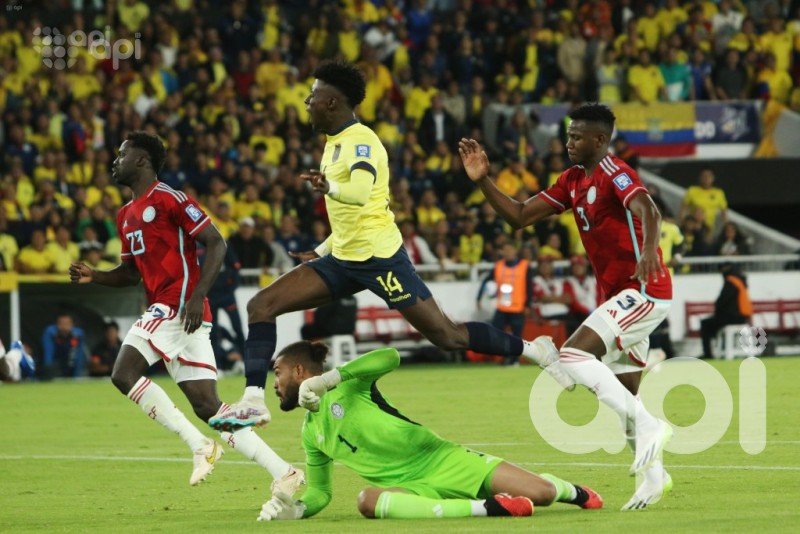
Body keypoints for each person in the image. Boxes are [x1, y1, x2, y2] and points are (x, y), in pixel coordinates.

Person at [211, 60, 551, 432]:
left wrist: (329, 188)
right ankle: (253, 402)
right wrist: (322, 250)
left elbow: (357, 193)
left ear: (331, 103)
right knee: (262, 305)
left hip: (379, 259)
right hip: (342, 259)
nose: (306, 100)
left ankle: (534, 350)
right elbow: (356, 211)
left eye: (314, 93)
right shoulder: (333, 143)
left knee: (446, 336)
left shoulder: (361, 141)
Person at [458, 103, 674, 511]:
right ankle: (653, 477)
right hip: (619, 297)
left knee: (573, 354)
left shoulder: (615, 172)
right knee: (625, 393)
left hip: (644, 291)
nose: (569, 142)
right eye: (568, 135)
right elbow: (520, 216)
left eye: (577, 137)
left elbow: (648, 208)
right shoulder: (573, 181)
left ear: (600, 140)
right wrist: (483, 180)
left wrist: (648, 251)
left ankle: (651, 426)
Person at [68, 132, 304, 496]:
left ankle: (200, 446)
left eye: (122, 154)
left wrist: (197, 297)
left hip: (179, 304)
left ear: (142, 161)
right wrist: (95, 275)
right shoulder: (124, 216)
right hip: (174, 311)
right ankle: (284, 471)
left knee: (123, 373)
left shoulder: (169, 199)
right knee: (209, 407)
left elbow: (217, 242)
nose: (115, 161)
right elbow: (131, 273)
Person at [258, 341, 602, 521]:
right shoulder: (309, 431)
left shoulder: (348, 385)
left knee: (541, 494)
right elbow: (321, 492)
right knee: (367, 500)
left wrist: (331, 378)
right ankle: (488, 508)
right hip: (411, 488)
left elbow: (390, 357)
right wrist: (300, 509)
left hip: (441, 458)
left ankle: (571, 490)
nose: (275, 384)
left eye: (279, 373)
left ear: (300, 370)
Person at [476, 242, 534, 365]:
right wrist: (479, 298)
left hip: (518, 307)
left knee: (517, 337)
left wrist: (528, 305)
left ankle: (514, 360)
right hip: (502, 307)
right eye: (505, 250)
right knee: (496, 334)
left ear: (515, 251)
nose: (507, 252)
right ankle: (501, 358)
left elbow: (529, 286)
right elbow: (486, 281)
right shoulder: (498, 266)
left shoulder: (524, 266)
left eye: (510, 249)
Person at [700, 263, 752, 359]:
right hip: (742, 317)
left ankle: (708, 354)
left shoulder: (731, 281)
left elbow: (722, 300)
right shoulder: (740, 280)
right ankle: (721, 348)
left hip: (734, 317)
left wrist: (717, 310)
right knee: (715, 323)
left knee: (705, 324)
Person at [41, 312, 87, 379]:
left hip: (71, 366)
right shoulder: (51, 333)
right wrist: (49, 373)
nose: (64, 327)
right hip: (56, 367)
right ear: (57, 324)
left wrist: (77, 377)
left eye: (67, 323)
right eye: (61, 323)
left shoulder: (78, 335)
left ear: (72, 324)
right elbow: (48, 355)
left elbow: (79, 357)